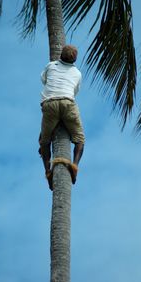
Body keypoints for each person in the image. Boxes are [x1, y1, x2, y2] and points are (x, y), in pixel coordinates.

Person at [39, 45, 85, 190]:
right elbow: (75, 91)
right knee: (79, 139)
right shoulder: (77, 73)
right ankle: (75, 165)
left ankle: (48, 171)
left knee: (44, 141)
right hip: (67, 103)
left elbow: (44, 80)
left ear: (60, 55)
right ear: (75, 59)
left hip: (50, 104)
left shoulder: (50, 66)